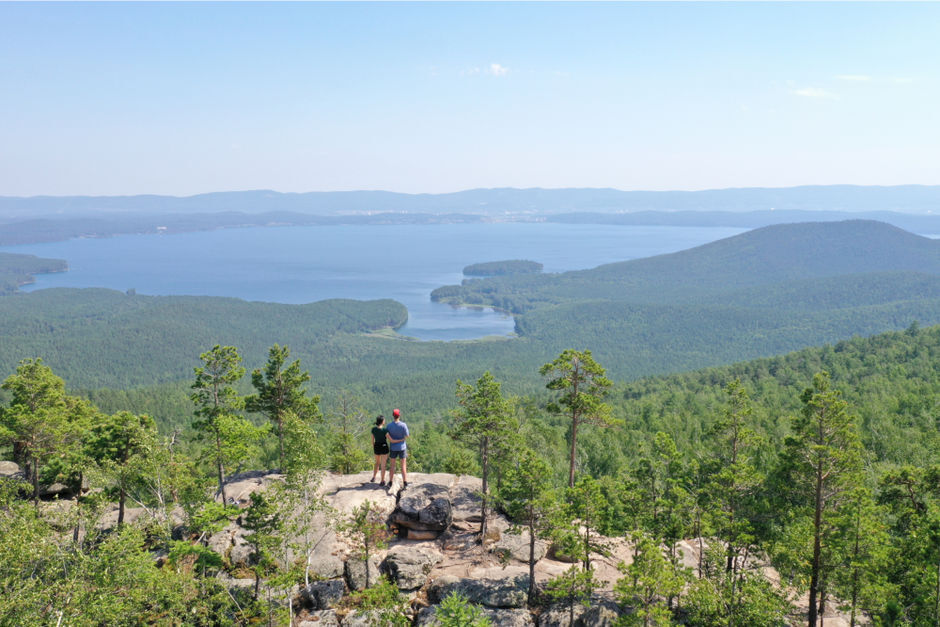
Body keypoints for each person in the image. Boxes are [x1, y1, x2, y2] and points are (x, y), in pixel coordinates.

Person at [385, 408, 409, 488]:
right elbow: (407, 436)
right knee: (403, 466)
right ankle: (405, 482)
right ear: (399, 415)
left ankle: (390, 482)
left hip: (393, 448)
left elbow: (386, 435)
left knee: (392, 466)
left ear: (393, 416)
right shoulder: (403, 425)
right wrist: (402, 439)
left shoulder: (389, 426)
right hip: (402, 447)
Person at [370, 415, 389, 486]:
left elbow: (372, 441)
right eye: (384, 420)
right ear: (382, 421)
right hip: (384, 446)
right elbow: (389, 439)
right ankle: (382, 481)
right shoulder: (384, 430)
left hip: (376, 446)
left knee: (377, 462)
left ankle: (374, 477)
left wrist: (374, 447)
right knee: (383, 465)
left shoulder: (373, 429)